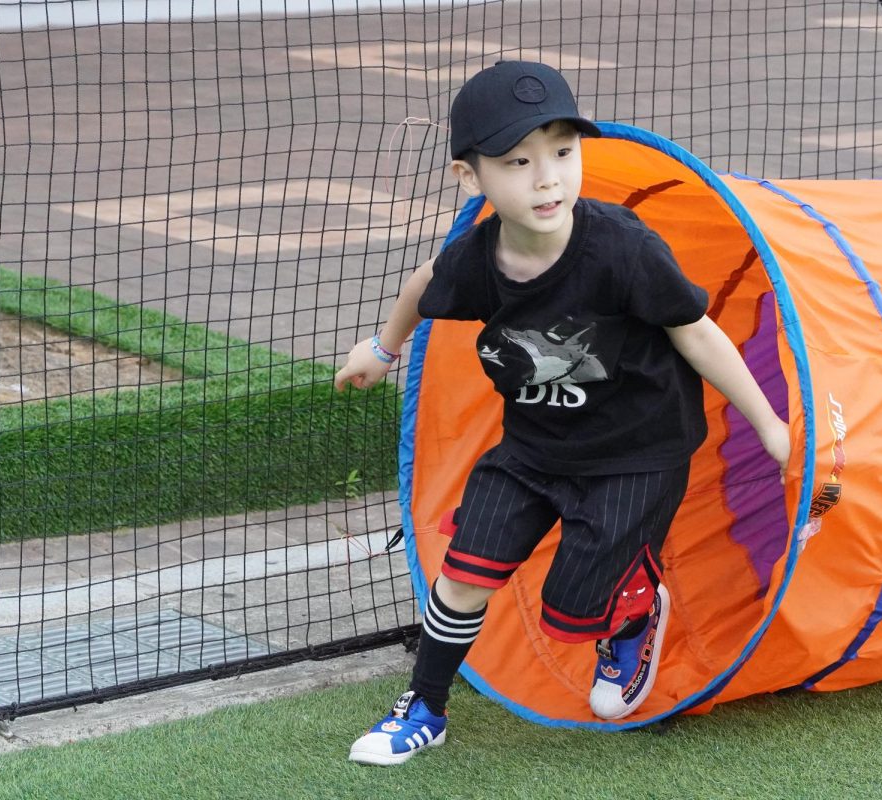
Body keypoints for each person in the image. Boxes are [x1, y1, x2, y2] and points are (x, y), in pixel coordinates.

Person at [335, 60, 790, 766]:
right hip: (533, 450)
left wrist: (770, 426)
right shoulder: (478, 261)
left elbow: (696, 330)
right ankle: (424, 706)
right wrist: (382, 350)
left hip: (636, 455)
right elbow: (428, 282)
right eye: (518, 161)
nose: (547, 177)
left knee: (568, 612)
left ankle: (634, 606)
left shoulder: (623, 247)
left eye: (563, 153)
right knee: (462, 572)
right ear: (470, 177)